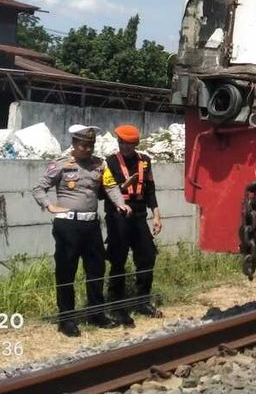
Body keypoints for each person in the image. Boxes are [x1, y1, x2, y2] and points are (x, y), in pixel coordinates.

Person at [32, 124, 131, 336]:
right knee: (66, 271)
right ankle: (66, 319)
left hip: (91, 225)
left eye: (90, 145)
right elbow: (39, 188)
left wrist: (120, 203)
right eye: (83, 145)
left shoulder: (100, 165)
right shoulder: (61, 164)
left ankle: (96, 313)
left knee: (96, 271)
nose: (87, 149)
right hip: (68, 225)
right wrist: (49, 205)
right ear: (74, 144)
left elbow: (111, 187)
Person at [102, 124, 162, 324]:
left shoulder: (145, 161)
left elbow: (150, 190)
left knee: (147, 256)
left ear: (135, 144)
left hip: (139, 216)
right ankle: (117, 304)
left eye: (128, 144)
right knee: (117, 259)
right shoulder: (110, 162)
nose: (124, 147)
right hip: (117, 217)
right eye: (121, 143)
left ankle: (142, 300)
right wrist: (122, 187)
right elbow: (102, 194)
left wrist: (156, 215)